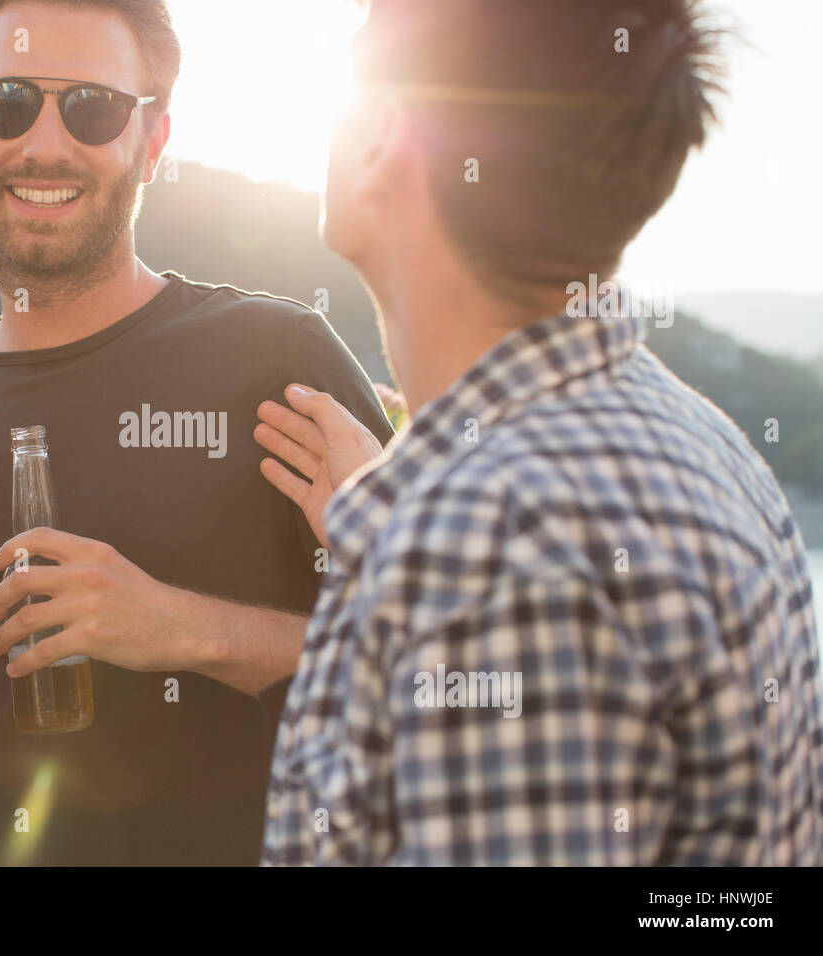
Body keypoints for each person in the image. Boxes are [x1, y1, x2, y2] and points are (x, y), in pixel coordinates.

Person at [256, 0, 823, 864]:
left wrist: (432, 539)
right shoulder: (702, 442)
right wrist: (396, 502)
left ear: (379, 133)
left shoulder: (489, 554)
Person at [0, 0, 394, 865]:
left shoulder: (279, 361)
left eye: (92, 106)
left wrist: (183, 628)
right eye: (6, 101)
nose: (45, 143)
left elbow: (428, 666)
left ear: (152, 142)